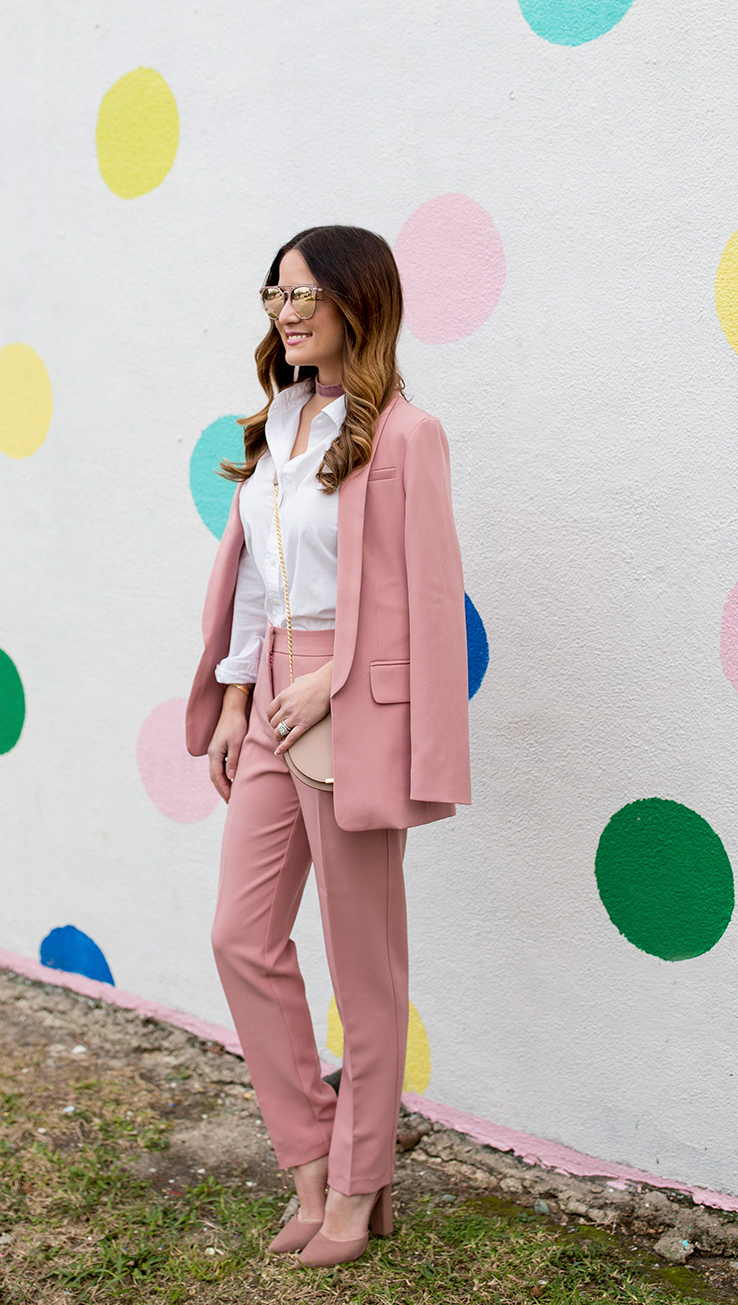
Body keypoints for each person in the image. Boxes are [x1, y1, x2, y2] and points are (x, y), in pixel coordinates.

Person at [186, 225, 470, 1267]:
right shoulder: (281, 424)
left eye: (305, 293)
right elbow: (260, 579)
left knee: (365, 967)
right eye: (275, 293)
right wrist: (231, 699)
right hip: (269, 698)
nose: (286, 311)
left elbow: (427, 598)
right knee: (239, 934)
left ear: (361, 301)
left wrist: (331, 682)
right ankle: (309, 1161)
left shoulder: (403, 434)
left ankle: (360, 1187)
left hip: (348, 706)